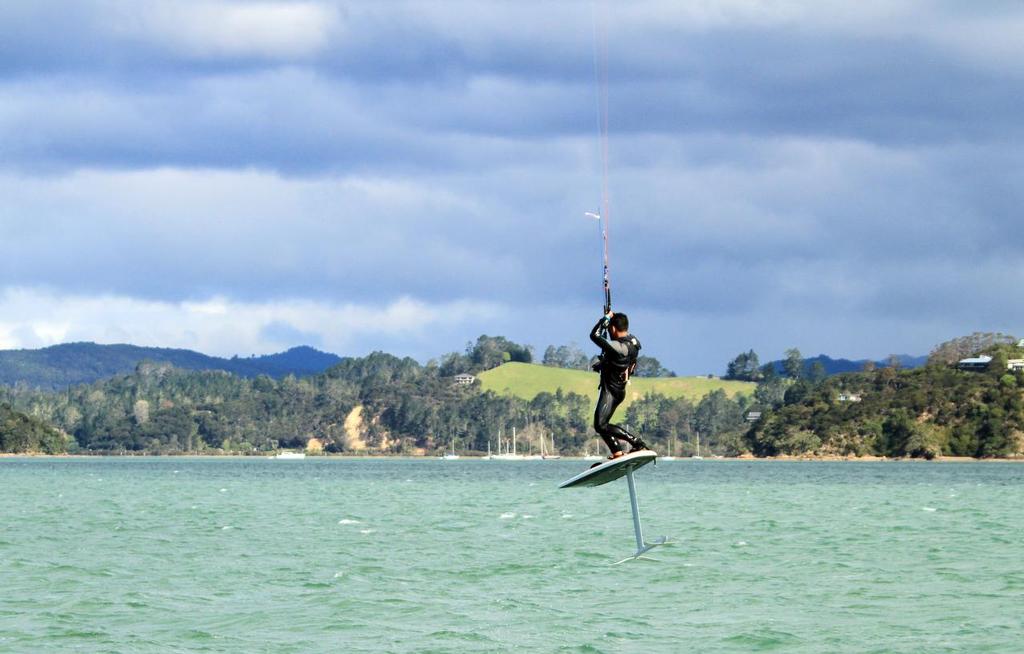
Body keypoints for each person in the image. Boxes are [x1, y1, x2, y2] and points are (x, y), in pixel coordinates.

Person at [589, 311, 648, 461]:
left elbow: (594, 336)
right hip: (619, 389)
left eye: (610, 329)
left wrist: (605, 319)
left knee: (600, 425)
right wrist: (602, 364)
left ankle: (637, 443)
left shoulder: (620, 347)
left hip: (611, 391)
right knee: (603, 424)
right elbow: (616, 360)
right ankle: (617, 452)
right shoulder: (633, 341)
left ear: (614, 329)